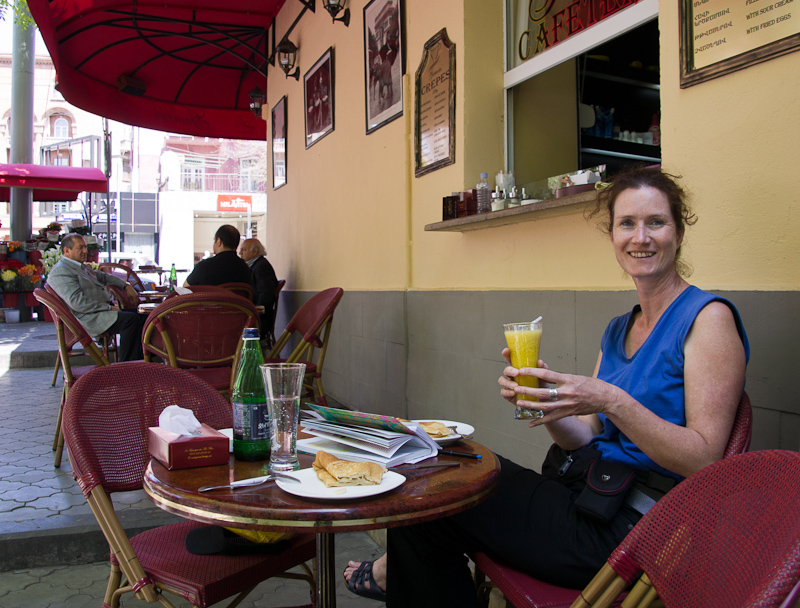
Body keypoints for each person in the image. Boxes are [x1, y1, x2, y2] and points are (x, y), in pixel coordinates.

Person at [343, 167, 750, 606]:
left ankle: (395, 575)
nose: (641, 237)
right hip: (588, 494)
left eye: (656, 222)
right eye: (626, 224)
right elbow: (588, 437)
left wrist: (610, 398)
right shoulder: (619, 328)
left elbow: (707, 461)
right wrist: (546, 403)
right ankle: (400, 575)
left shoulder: (708, 320)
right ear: (612, 236)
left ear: (679, 232)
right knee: (440, 473)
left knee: (431, 507)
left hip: (632, 527)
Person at [47, 234, 147, 362]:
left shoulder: (79, 267)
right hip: (86, 318)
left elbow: (104, 277)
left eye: (85, 247)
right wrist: (109, 308)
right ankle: (127, 367)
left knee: (143, 316)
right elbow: (78, 303)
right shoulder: (61, 271)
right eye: (80, 248)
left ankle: (141, 361)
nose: (85, 251)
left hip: (98, 312)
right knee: (130, 320)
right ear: (67, 251)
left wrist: (126, 286)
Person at [238, 238, 279, 340]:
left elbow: (266, 295)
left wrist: (253, 315)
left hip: (259, 321)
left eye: (243, 249)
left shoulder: (261, 267)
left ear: (255, 251)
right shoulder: (256, 266)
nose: (240, 253)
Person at [184, 225, 250, 287]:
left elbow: (185, 289)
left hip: (209, 299)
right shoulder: (245, 269)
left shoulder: (204, 267)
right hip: (237, 299)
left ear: (219, 241)